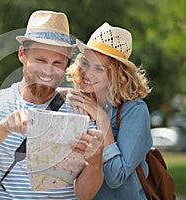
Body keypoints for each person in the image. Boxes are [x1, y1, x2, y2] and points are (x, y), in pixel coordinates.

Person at [0, 10, 104, 200]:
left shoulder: (80, 112)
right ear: (22, 54)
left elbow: (85, 195)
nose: (48, 71)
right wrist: (4, 127)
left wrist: (95, 162)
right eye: (40, 60)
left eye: (57, 63)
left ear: (66, 64)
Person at [65, 22, 153, 199]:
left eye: (98, 68)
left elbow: (116, 177)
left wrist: (102, 120)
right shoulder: (78, 101)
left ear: (116, 74)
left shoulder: (134, 111)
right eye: (85, 63)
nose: (86, 73)